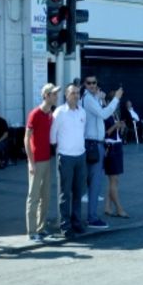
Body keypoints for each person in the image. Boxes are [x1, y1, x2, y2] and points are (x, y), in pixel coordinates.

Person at [82, 76, 122, 229]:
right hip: (92, 144)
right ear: (85, 85)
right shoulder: (89, 99)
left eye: (95, 83)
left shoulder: (92, 98)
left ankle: (90, 216)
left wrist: (100, 98)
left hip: (95, 143)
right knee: (95, 182)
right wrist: (116, 98)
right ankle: (91, 217)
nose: (92, 85)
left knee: (95, 182)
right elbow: (104, 114)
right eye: (89, 83)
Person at [51, 85, 88, 238]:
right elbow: (52, 135)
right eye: (73, 93)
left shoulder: (82, 112)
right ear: (66, 95)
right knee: (65, 193)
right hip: (65, 157)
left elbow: (83, 132)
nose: (76, 95)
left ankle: (77, 222)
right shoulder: (59, 112)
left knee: (78, 192)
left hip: (80, 156)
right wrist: (60, 150)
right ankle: (65, 226)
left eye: (78, 93)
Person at [24, 84, 59, 243]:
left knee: (45, 196)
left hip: (46, 159)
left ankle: (41, 228)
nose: (56, 96)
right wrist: (31, 162)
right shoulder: (35, 114)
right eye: (53, 94)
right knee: (34, 196)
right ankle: (32, 232)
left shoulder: (50, 114)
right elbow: (26, 138)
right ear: (46, 95)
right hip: (36, 161)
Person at [103, 105, 128, 218]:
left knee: (114, 180)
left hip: (117, 146)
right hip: (111, 147)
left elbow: (117, 133)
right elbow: (105, 133)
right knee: (114, 179)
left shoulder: (114, 114)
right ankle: (119, 208)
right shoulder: (105, 115)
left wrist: (121, 127)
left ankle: (108, 207)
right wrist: (115, 126)